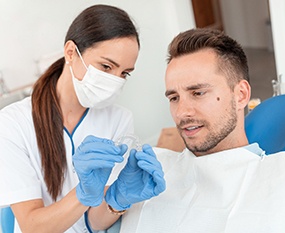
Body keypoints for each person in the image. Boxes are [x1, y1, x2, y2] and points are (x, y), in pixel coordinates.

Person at [0, 4, 165, 233]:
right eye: (106, 66)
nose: (115, 81)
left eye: (124, 73)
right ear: (70, 52)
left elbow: (95, 222)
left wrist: (118, 199)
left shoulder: (118, 119)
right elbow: (32, 226)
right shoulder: (12, 123)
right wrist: (83, 194)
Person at [118, 28, 285, 233]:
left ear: (240, 95)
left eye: (198, 93)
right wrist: (110, 203)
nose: (182, 113)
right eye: (174, 98)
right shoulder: (152, 176)